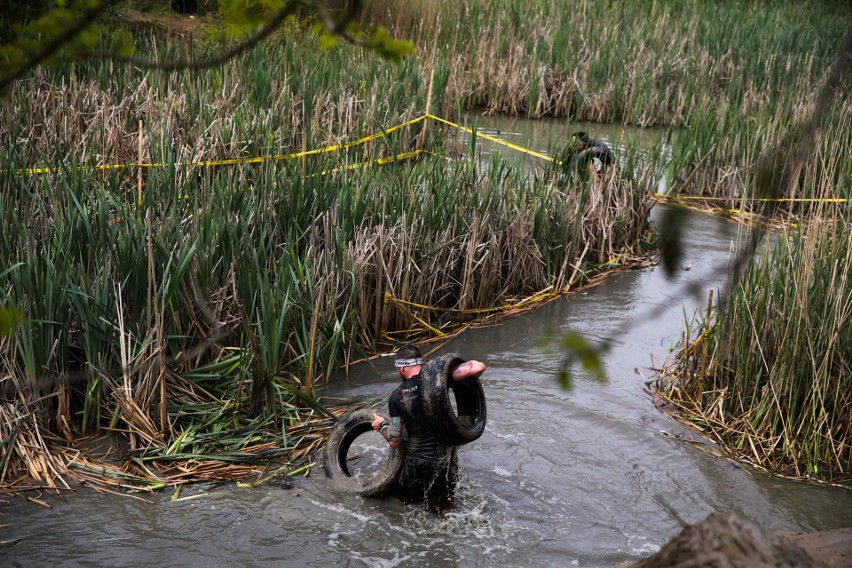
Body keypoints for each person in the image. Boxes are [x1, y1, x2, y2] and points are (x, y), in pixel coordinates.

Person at [371, 344, 486, 512]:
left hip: (415, 464)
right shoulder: (438, 382)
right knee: (443, 510)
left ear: (401, 369)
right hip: (444, 463)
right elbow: (478, 367)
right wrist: (452, 372)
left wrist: (381, 425)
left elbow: (395, 440)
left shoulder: (396, 397)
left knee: (407, 508)